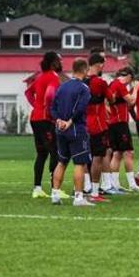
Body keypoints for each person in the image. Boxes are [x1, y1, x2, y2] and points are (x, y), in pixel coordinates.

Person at [50, 58, 94, 206]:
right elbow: (80, 108)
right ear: (84, 70)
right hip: (76, 130)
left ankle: (55, 194)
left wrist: (58, 120)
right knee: (79, 164)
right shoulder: (84, 88)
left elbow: (53, 107)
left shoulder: (62, 86)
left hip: (60, 130)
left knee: (61, 162)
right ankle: (78, 197)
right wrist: (69, 121)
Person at [25, 51, 62, 198]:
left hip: (35, 118)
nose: (61, 63)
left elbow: (28, 92)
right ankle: (55, 188)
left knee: (42, 153)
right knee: (55, 153)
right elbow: (50, 96)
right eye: (59, 61)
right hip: (45, 120)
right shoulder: (53, 77)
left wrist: (36, 106)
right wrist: (50, 111)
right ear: (53, 62)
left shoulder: (40, 77)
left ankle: (37, 188)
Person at [107, 67, 139, 192]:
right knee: (129, 152)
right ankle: (132, 184)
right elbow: (132, 100)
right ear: (128, 76)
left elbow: (126, 104)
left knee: (117, 153)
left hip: (113, 123)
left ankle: (115, 184)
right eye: (130, 80)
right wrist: (136, 89)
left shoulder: (113, 84)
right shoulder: (120, 85)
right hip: (119, 123)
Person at [84, 53, 111, 201]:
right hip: (98, 124)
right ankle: (94, 192)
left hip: (82, 124)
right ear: (99, 64)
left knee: (81, 158)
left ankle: (82, 189)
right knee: (98, 157)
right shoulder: (100, 82)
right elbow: (111, 98)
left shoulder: (81, 81)